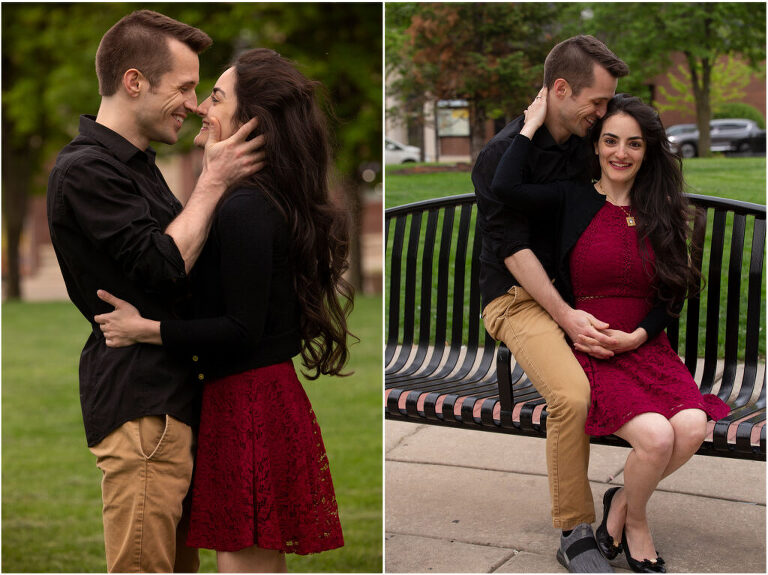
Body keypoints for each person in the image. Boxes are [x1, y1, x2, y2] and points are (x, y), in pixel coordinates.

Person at [93, 48, 353, 572]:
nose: (199, 107)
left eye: (214, 97)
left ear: (249, 121)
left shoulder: (247, 207)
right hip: (248, 397)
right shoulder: (251, 198)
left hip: (249, 403)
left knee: (242, 560)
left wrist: (146, 329)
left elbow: (240, 329)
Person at [46, 10, 264, 573]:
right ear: (134, 81)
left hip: (175, 395)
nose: (193, 103)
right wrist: (213, 182)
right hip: (142, 403)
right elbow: (166, 267)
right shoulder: (86, 170)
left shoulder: (137, 166)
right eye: (185, 87)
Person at [491, 91, 730, 573]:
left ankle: (620, 506)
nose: (621, 153)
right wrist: (530, 122)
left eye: (634, 144)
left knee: (691, 426)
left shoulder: (661, 208)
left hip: (645, 346)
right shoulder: (571, 197)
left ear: (648, 151)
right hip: (592, 347)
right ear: (596, 146)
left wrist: (639, 336)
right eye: (611, 141)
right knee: (658, 438)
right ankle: (637, 523)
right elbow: (505, 186)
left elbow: (672, 295)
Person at [473, 35, 629, 573]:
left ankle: (629, 504)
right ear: (559, 89)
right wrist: (565, 315)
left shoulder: (586, 143)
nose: (605, 112)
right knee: (570, 396)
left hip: (576, 297)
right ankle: (574, 531)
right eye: (598, 101)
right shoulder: (500, 156)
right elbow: (512, 250)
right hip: (516, 301)